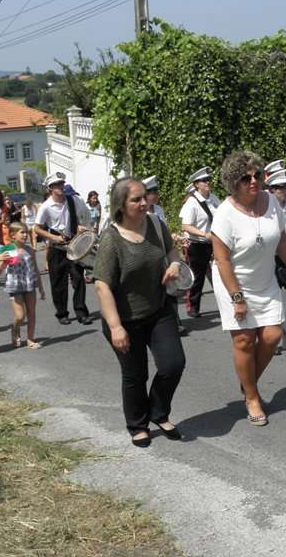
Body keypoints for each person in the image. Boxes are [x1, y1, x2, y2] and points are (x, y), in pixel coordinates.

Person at [211, 150, 286, 426]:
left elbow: (283, 242)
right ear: (233, 183)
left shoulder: (272, 203)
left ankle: (247, 382)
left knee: (273, 335)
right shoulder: (225, 214)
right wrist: (237, 298)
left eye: (257, 176)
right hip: (233, 283)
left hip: (265, 281)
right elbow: (222, 259)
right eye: (245, 178)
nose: (253, 182)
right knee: (244, 340)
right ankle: (252, 396)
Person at [93, 177, 187, 448]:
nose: (144, 202)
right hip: (125, 320)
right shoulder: (111, 239)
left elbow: (172, 250)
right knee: (135, 375)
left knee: (173, 364)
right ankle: (138, 424)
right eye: (136, 199)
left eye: (145, 196)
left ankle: (158, 412)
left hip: (159, 310)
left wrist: (175, 265)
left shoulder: (156, 224)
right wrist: (115, 327)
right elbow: (102, 287)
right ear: (121, 205)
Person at [34, 172, 92, 325]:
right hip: (56, 248)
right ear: (50, 188)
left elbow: (85, 215)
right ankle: (62, 313)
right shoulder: (46, 207)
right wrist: (53, 237)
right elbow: (37, 229)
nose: (61, 186)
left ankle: (81, 312)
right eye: (57, 185)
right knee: (58, 283)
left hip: (74, 246)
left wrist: (83, 227)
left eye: (62, 183)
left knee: (78, 279)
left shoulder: (73, 200)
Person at [0, 222, 45, 349]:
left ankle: (30, 340)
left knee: (32, 313)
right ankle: (15, 329)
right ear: (13, 235)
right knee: (20, 316)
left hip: (29, 284)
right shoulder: (8, 250)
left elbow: (36, 269)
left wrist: (41, 288)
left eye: (26, 232)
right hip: (15, 285)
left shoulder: (29, 250)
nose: (25, 235)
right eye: (22, 232)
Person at [179, 168, 220, 317]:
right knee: (197, 278)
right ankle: (193, 307)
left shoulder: (213, 198)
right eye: (204, 180)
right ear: (196, 184)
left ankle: (226, 304)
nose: (208, 182)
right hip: (197, 244)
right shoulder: (192, 202)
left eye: (209, 179)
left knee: (219, 275)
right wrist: (204, 234)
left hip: (213, 243)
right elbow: (185, 225)